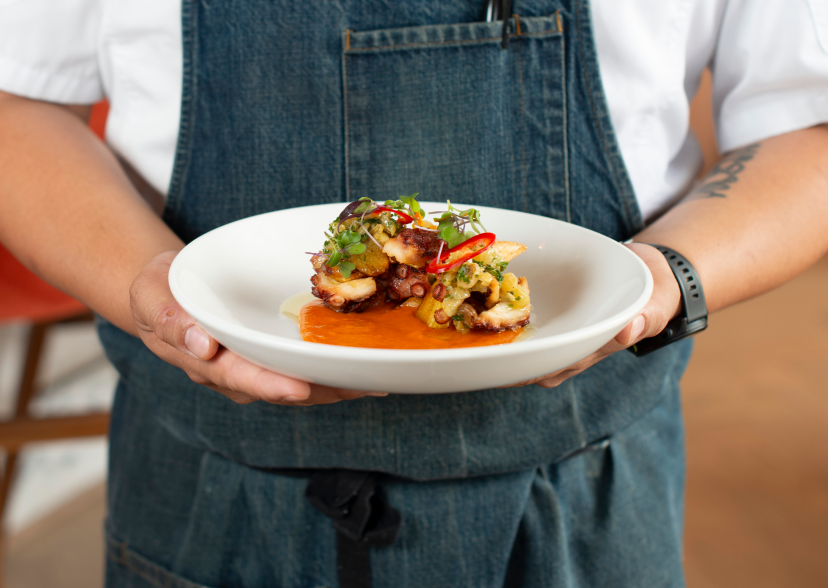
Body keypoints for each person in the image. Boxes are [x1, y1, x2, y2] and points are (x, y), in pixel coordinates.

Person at [1, 0, 827, 586]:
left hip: (583, 499)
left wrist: (663, 278)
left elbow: (807, 127)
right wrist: (148, 284)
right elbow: (17, 102)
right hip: (210, 498)